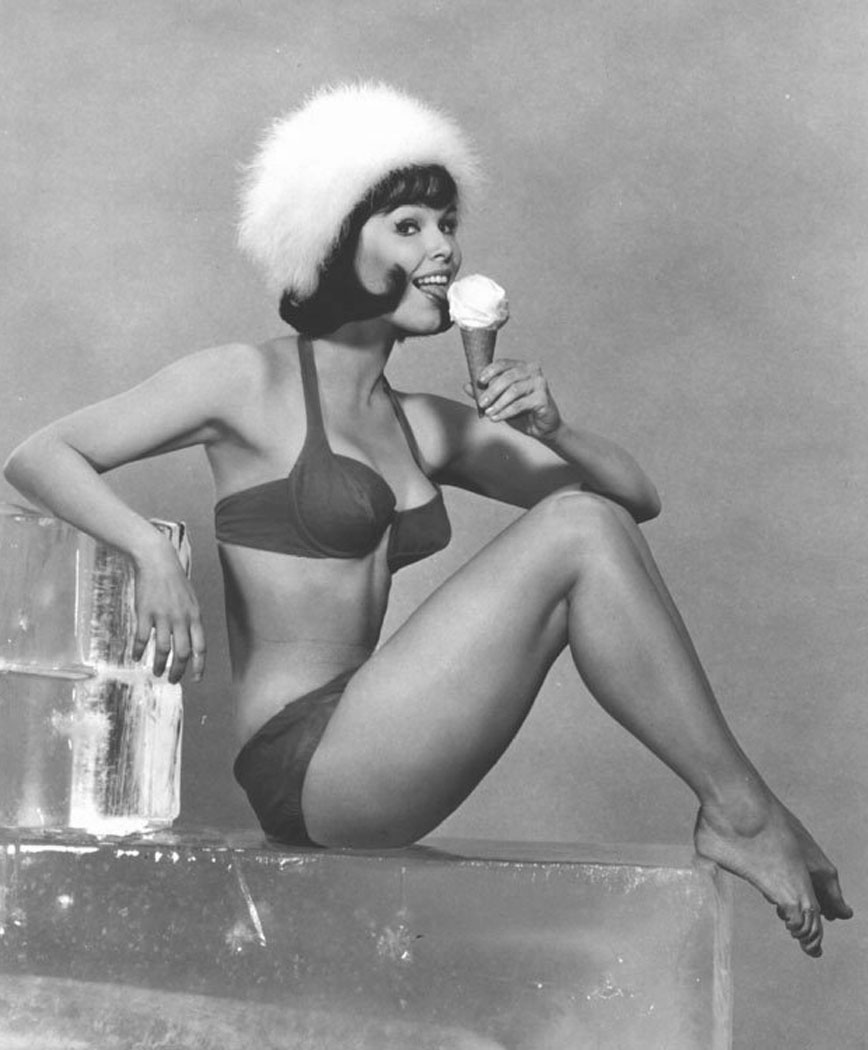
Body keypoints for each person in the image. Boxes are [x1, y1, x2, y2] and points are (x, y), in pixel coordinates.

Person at [3, 82, 851, 957]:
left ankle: (740, 809)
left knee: (585, 524)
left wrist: (555, 429)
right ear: (334, 241)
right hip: (305, 761)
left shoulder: (424, 425)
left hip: (380, 734)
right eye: (408, 226)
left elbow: (631, 503)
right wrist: (147, 548)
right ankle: (742, 812)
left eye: (447, 225)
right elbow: (39, 454)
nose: (443, 248)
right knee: (574, 529)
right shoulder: (246, 382)